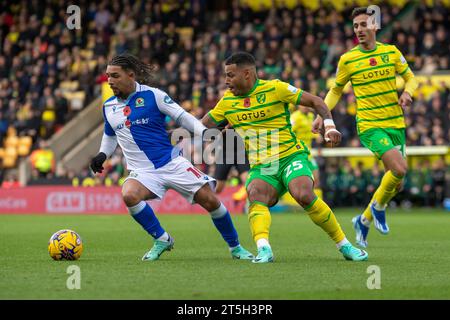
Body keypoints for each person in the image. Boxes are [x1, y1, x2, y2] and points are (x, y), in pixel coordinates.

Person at [202, 52, 368, 263]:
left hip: (290, 156)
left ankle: (345, 246)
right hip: (263, 166)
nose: (226, 81)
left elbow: (316, 101)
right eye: (225, 75)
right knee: (255, 193)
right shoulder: (226, 103)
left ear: (247, 74)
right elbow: (200, 126)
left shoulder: (276, 88)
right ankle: (264, 250)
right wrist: (167, 135)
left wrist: (329, 126)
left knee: (303, 194)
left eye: (230, 75)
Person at [90, 53, 253, 261]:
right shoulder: (109, 107)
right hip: (142, 171)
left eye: (115, 76)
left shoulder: (154, 96)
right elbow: (110, 135)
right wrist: (103, 154)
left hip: (171, 163)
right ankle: (162, 239)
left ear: (131, 75)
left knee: (211, 201)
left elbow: (182, 117)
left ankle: (235, 247)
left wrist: (205, 133)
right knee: (129, 194)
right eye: (108, 76)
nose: (110, 81)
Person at [313, 7, 418, 248]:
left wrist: (407, 93)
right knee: (400, 168)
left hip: (396, 124)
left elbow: (411, 77)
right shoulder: (348, 59)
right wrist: (322, 114)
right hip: (371, 125)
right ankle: (379, 208)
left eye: (363, 25)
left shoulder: (391, 52)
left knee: (397, 181)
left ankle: (364, 219)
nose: (359, 30)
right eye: (356, 26)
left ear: (375, 26)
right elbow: (336, 89)